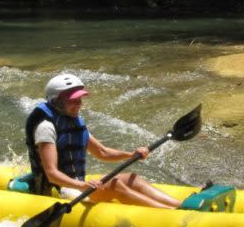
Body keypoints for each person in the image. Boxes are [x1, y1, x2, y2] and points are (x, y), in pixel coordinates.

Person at [24, 73, 181, 209]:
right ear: (56, 101)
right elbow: (52, 174)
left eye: (80, 99)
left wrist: (131, 154)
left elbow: (102, 152)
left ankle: (180, 205)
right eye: (73, 100)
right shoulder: (45, 127)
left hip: (76, 184)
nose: (80, 104)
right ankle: (170, 212)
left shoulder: (73, 121)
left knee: (132, 178)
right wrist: (82, 185)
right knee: (116, 186)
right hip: (59, 190)